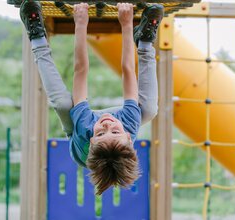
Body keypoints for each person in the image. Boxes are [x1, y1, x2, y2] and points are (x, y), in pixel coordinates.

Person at [19, 0, 163, 195]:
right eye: (114, 132)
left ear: (93, 141)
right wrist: (127, 24)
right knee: (150, 110)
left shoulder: (85, 128)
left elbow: (80, 71)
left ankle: (36, 37)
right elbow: (128, 71)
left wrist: (80, 23)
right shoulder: (129, 124)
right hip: (115, 128)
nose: (107, 126)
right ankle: (145, 42)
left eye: (102, 134)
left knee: (62, 104)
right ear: (129, 137)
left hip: (78, 131)